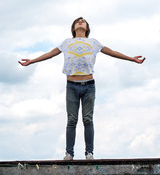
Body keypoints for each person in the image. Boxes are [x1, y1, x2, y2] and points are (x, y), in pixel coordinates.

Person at [18, 17, 145, 160]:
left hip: (89, 85)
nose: (80, 21)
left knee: (87, 119)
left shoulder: (94, 42)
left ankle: (89, 153)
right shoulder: (67, 43)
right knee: (71, 120)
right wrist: (31, 61)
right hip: (71, 86)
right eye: (78, 21)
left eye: (83, 21)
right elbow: (49, 54)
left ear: (87, 28)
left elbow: (112, 52)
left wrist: (131, 59)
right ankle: (69, 153)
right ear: (73, 28)